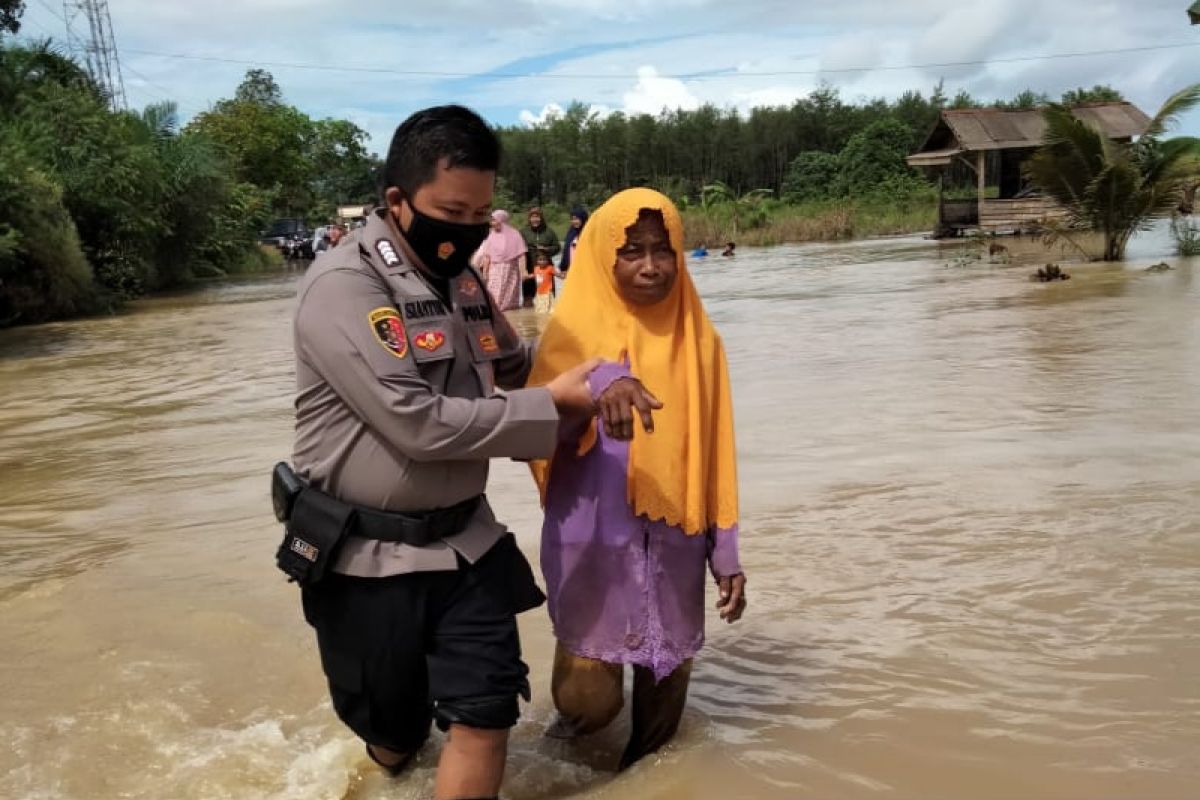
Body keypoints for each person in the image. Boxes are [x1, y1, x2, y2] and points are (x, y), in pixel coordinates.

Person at [287, 105, 656, 800]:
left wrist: (614, 368)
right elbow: (417, 425)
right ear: (397, 201)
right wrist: (560, 405)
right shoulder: (346, 288)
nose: (466, 231)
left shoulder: (460, 282)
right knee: (394, 740)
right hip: (367, 558)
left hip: (465, 543)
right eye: (451, 211)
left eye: (482, 216)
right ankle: (391, 757)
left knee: (485, 714)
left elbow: (522, 367)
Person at [526, 187, 747, 770]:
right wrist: (595, 387)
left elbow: (716, 449)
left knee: (659, 730)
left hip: (675, 543)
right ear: (602, 255)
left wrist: (725, 551)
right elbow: (529, 437)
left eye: (663, 249)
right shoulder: (568, 340)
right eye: (632, 251)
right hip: (592, 542)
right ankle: (546, 778)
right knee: (586, 705)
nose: (651, 266)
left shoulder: (700, 340)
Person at [472, 210, 524, 311]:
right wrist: (485, 273)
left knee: (510, 298)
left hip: (511, 270)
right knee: (494, 294)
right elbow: (487, 256)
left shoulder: (514, 234)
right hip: (495, 269)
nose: (492, 223)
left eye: (494, 220)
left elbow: (521, 254)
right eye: (492, 221)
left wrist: (523, 270)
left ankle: (511, 320)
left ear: (502, 220)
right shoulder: (491, 236)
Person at [521, 207, 560, 307]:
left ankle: (547, 320)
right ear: (529, 218)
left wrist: (547, 249)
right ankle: (529, 320)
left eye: (537, 217)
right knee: (528, 300)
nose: (535, 219)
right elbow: (518, 249)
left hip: (546, 268)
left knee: (548, 298)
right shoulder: (523, 232)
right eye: (532, 217)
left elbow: (557, 247)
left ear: (541, 218)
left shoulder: (549, 231)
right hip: (529, 267)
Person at [557, 206, 588, 273]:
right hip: (571, 269)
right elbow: (566, 251)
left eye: (577, 219)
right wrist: (563, 267)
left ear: (583, 219)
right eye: (572, 219)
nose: (574, 221)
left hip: (585, 269)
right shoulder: (571, 233)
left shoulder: (588, 233)